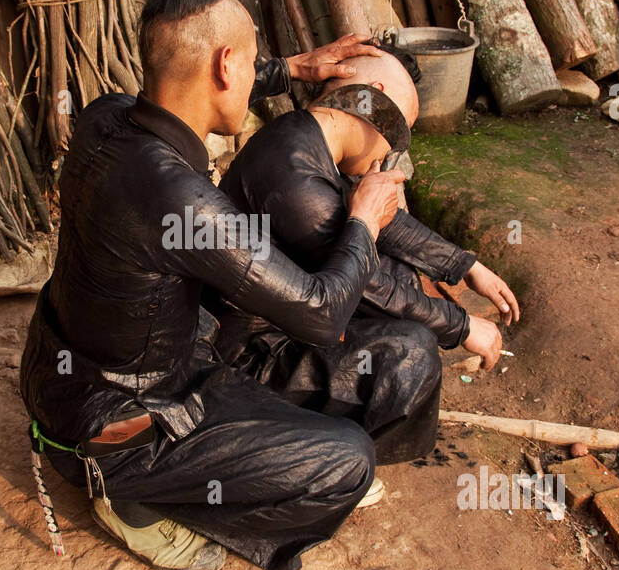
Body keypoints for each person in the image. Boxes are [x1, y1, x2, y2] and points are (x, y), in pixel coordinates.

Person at [19, 0, 404, 570]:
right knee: (348, 462)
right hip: (122, 424)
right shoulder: (182, 198)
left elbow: (198, 72)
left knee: (246, 342)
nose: (257, 76)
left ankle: (154, 464)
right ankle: (134, 500)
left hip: (59, 378)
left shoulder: (103, 116)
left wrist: (292, 69)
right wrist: (362, 220)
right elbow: (323, 312)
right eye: (252, 64)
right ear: (227, 66)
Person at [213, 41, 520, 467]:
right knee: (411, 353)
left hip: (289, 314)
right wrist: (462, 325)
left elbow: (384, 221)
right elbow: (367, 285)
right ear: (372, 99)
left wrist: (465, 266)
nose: (390, 152)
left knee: (400, 279)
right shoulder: (294, 177)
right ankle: (339, 465)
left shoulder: (304, 137)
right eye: (398, 135)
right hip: (250, 359)